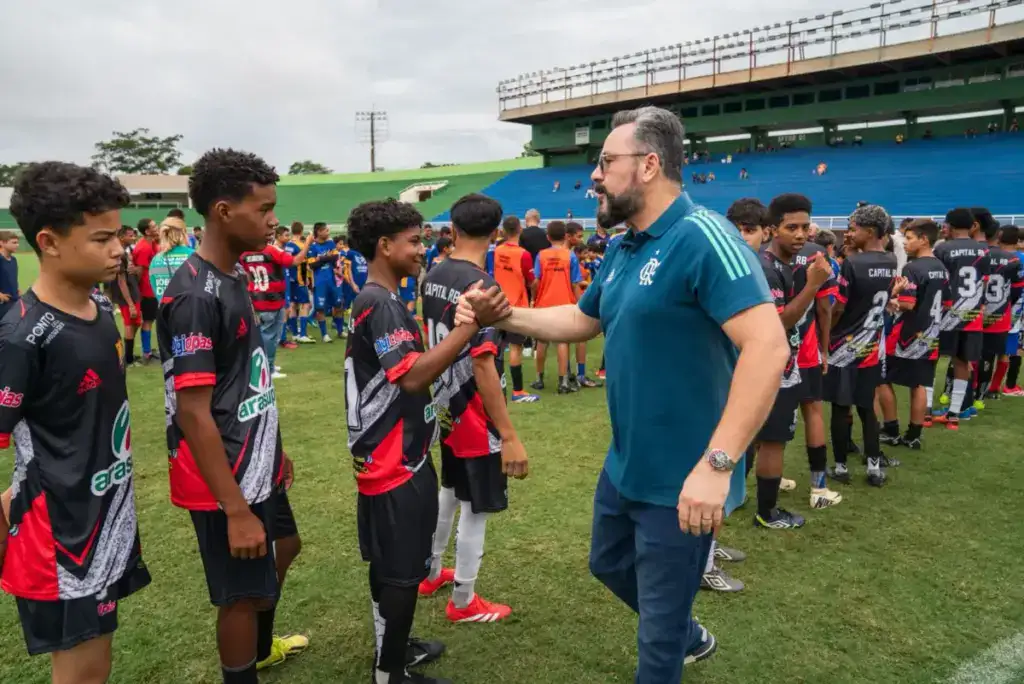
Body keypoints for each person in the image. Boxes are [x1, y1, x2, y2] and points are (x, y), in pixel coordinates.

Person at [456, 106, 789, 682]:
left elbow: (768, 347)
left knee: (657, 644)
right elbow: (584, 320)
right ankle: (687, 632)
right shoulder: (625, 245)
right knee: (607, 563)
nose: (594, 175)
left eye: (606, 161)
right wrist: (503, 315)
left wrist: (717, 464)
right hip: (627, 463)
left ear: (649, 165)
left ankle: (675, 633)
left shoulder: (704, 236)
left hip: (683, 477)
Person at [157, 149, 308, 684]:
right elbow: (194, 412)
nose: (273, 220)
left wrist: (273, 448)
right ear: (223, 212)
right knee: (240, 596)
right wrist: (236, 509)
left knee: (285, 545)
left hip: (255, 458)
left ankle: (260, 650)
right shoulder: (195, 296)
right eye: (263, 209)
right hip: (224, 475)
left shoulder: (233, 274)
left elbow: (248, 379)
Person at [1, 161, 151, 683]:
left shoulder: (100, 309)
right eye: (102, 239)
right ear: (48, 242)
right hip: (60, 541)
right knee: (83, 671)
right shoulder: (21, 338)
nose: (119, 250)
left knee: (97, 662)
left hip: (104, 515)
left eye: (119, 236)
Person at [346, 198, 480, 684]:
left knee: (394, 563)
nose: (423, 249)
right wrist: (468, 327)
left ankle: (394, 648)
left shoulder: (381, 298)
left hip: (396, 455)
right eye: (413, 241)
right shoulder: (380, 303)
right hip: (394, 461)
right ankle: (390, 673)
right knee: (402, 572)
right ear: (384, 246)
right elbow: (411, 376)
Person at [418, 194, 528, 624]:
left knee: (450, 490)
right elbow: (483, 363)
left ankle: (430, 572)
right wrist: (509, 434)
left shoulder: (433, 274)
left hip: (443, 404)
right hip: (472, 412)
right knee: (476, 506)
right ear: (496, 234)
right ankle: (463, 600)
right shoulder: (483, 288)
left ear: (453, 229)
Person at [755, 194, 841, 528]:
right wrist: (814, 284)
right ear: (772, 229)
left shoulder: (790, 264)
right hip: (771, 366)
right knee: (773, 439)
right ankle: (767, 513)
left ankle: (756, 502)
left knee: (768, 438)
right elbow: (781, 321)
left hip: (785, 363)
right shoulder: (767, 268)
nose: (801, 234)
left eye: (805, 227)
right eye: (792, 227)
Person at [825, 205, 898, 487]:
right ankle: (873, 468)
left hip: (844, 344)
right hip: (871, 345)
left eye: (854, 229)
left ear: (869, 231)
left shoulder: (852, 263)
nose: (850, 233)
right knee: (867, 407)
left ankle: (841, 467)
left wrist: (826, 333)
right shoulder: (891, 259)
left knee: (840, 406)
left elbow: (839, 307)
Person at [877, 219, 949, 445]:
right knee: (919, 384)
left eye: (909, 238)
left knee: (881, 379)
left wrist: (890, 298)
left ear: (924, 240)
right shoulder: (941, 268)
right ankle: (914, 436)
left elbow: (907, 304)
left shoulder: (912, 267)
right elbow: (947, 302)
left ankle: (891, 430)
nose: (905, 243)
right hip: (930, 334)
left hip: (906, 335)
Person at [933, 208, 990, 429]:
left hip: (946, 313)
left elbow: (938, 280)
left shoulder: (942, 248)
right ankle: (955, 415)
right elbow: (985, 281)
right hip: (972, 314)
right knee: (962, 362)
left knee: (932, 359)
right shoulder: (983, 250)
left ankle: (926, 413)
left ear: (951, 225)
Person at [240, 225, 313, 380]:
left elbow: (244, 273)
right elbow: (295, 261)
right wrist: (307, 243)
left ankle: (267, 365)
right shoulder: (271, 251)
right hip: (272, 300)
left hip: (257, 298)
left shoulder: (244, 253)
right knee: (269, 336)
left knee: (264, 335)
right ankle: (268, 368)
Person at [530, 221, 584, 395]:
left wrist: (534, 298)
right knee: (563, 342)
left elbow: (536, 281)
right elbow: (575, 283)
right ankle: (563, 382)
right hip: (564, 303)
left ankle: (539, 379)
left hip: (544, 303)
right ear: (565, 236)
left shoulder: (541, 255)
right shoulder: (570, 256)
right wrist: (581, 304)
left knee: (541, 341)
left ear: (548, 237)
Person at [492, 216, 539, 403]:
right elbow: (532, 281)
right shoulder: (523, 254)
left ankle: (494, 387)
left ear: (503, 230)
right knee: (515, 348)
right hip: (516, 306)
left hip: (497, 303)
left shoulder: (497, 250)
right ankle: (517, 391)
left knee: (494, 348)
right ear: (520, 229)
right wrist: (534, 294)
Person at [978, 224, 1024, 400]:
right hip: (1012, 310)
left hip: (985, 308)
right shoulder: (1019, 259)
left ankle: (977, 386)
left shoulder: (987, 255)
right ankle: (996, 387)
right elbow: (1018, 288)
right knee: (1006, 351)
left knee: (981, 349)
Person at [108, 225, 143, 365]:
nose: (133, 238)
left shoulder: (127, 252)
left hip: (133, 291)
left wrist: (135, 270)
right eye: (130, 235)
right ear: (121, 237)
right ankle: (128, 359)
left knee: (137, 322)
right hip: (126, 295)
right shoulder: (119, 254)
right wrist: (130, 304)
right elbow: (121, 282)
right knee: (129, 323)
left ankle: (128, 354)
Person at [307, 222, 345, 342]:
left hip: (332, 281)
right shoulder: (312, 247)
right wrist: (326, 258)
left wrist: (321, 258)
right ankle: (324, 335)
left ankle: (340, 331)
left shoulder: (330, 243)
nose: (328, 232)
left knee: (339, 305)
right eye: (326, 230)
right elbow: (312, 264)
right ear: (319, 232)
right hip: (319, 282)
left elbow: (335, 258)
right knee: (320, 308)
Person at [130, 217, 159, 362]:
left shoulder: (150, 243)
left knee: (150, 320)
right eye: (154, 226)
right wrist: (139, 293)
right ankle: (146, 353)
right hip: (147, 291)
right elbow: (139, 272)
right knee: (147, 321)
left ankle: (148, 350)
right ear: (147, 231)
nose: (157, 227)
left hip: (152, 288)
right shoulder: (144, 248)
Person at [149, 217, 195, 300]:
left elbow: (155, 288)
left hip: (165, 306)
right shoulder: (194, 255)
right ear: (183, 233)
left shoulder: (156, 260)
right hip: (190, 306)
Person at [284, 222, 315, 343]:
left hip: (290, 278)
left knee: (293, 304)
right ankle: (302, 334)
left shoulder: (288, 245)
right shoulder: (302, 245)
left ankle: (295, 334)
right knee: (305, 304)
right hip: (299, 279)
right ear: (301, 231)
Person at [0, 230, 20, 320]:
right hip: (2, 303)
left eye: (17, 242)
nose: (17, 245)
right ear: (2, 243)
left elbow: (11, 277)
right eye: (14, 243)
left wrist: (16, 289)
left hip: (14, 301)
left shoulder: (13, 259)